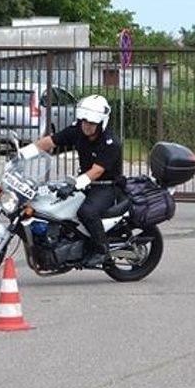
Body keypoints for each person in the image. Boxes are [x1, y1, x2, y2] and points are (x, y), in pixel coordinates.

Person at [18, 94, 124, 268]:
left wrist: (76, 184)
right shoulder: (78, 130)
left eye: (91, 123)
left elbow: (97, 172)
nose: (87, 126)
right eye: (84, 121)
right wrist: (24, 153)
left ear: (101, 123)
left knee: (86, 212)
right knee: (54, 201)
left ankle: (102, 250)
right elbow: (50, 141)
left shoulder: (110, 143)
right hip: (86, 183)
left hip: (106, 187)